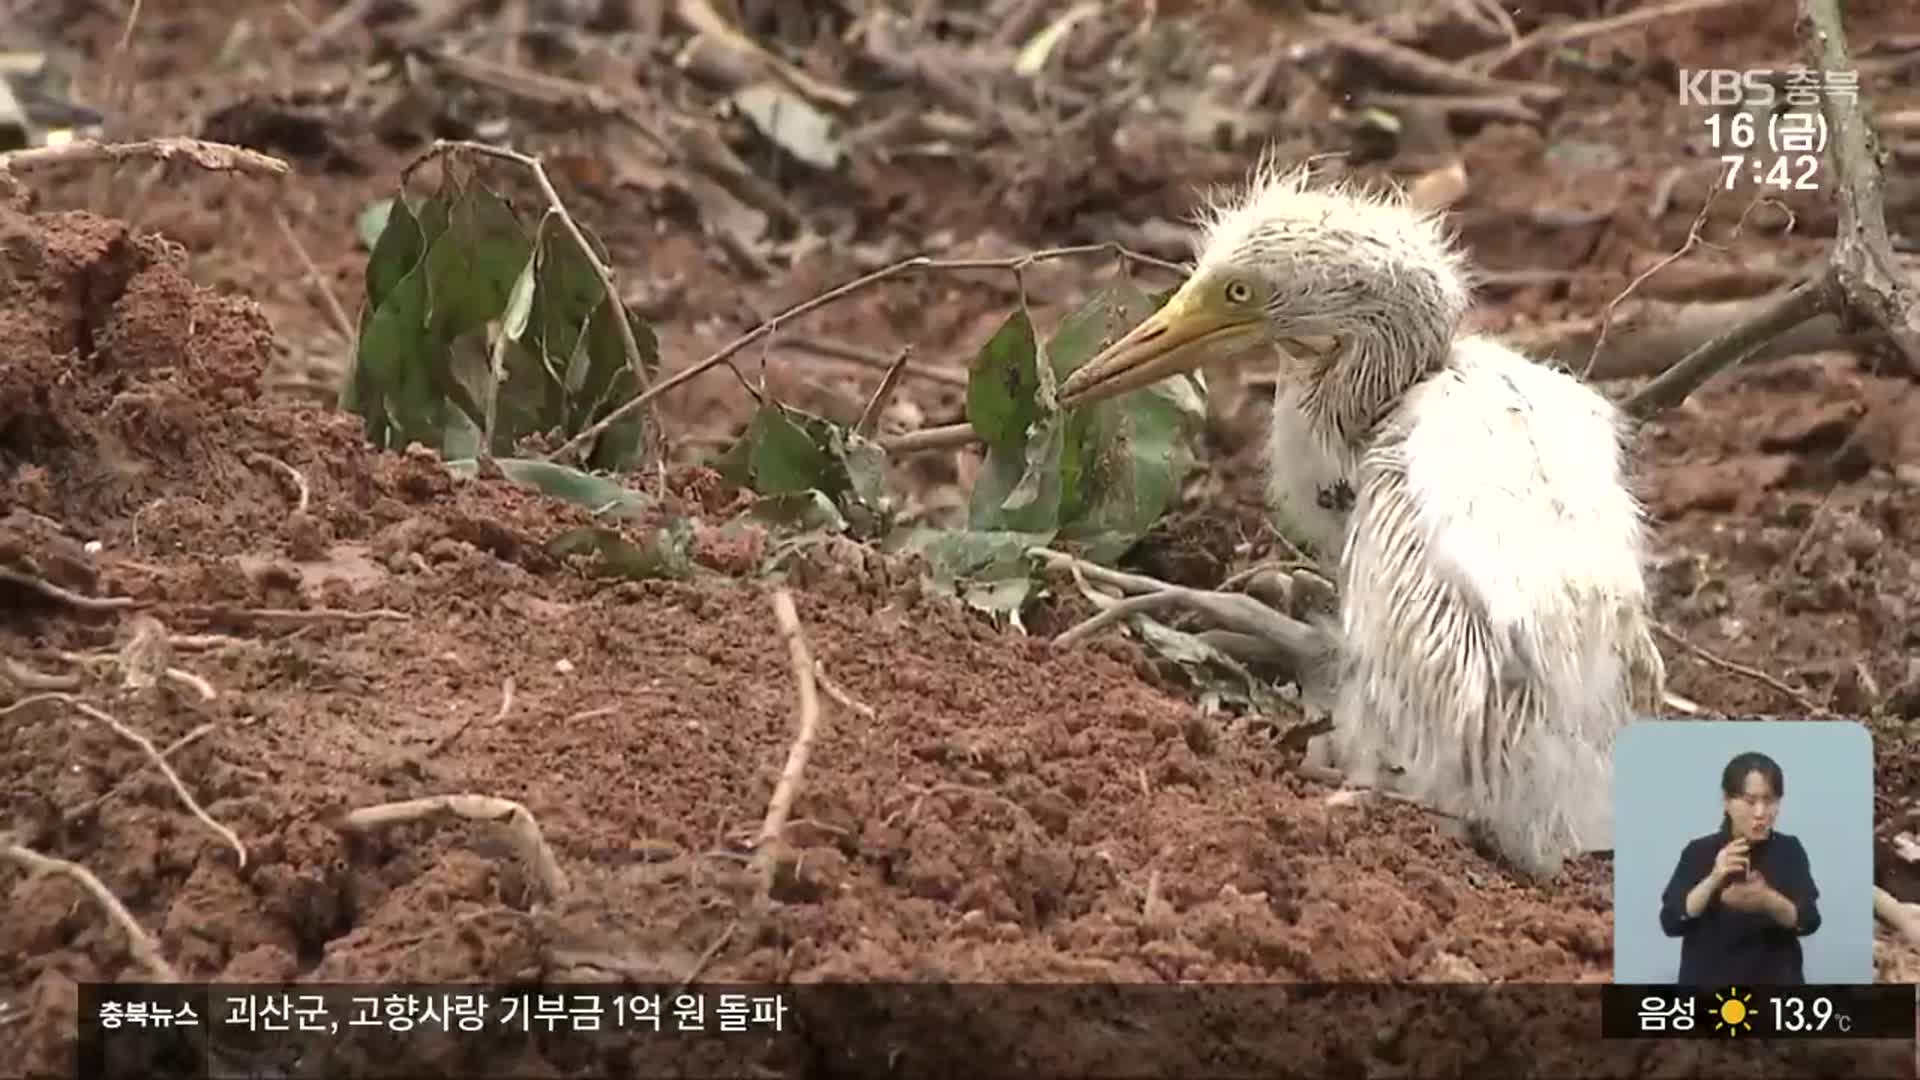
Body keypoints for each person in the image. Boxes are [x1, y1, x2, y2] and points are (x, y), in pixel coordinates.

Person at [1658, 751, 1821, 984]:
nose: (1760, 813)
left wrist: (1767, 900)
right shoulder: (1699, 851)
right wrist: (1714, 877)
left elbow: (1809, 921)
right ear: (1727, 801)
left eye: (1770, 801)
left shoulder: (1789, 850)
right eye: (1750, 801)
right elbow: (1671, 921)